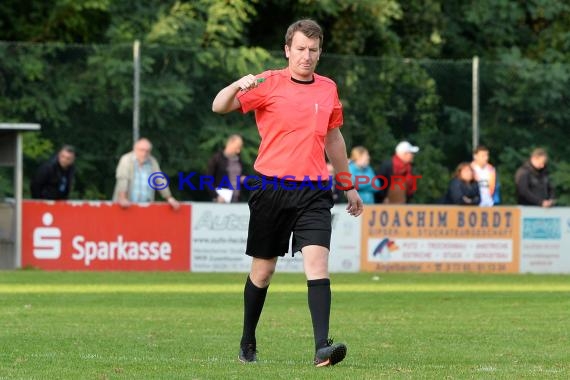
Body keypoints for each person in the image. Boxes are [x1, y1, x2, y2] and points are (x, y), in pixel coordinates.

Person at [212, 19, 363, 367]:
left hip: (313, 190)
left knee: (317, 263)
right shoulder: (268, 82)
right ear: (287, 50)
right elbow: (219, 106)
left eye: (313, 50)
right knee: (263, 272)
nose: (306, 56)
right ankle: (248, 340)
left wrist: (347, 183)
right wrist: (239, 83)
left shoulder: (328, 89)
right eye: (300, 49)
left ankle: (322, 347)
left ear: (320, 52)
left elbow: (334, 138)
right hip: (271, 188)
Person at [112, 137, 180, 210]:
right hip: (126, 206)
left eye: (147, 151)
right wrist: (122, 198)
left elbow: (160, 180)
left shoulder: (152, 162)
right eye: (141, 150)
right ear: (135, 149)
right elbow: (123, 179)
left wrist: (169, 198)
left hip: (146, 207)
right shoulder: (126, 159)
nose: (144, 153)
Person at [206, 134, 244, 203]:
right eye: (237, 147)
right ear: (230, 143)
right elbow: (207, 180)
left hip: (236, 198)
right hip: (221, 199)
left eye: (239, 148)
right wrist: (216, 196)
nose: (238, 151)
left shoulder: (239, 160)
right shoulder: (217, 159)